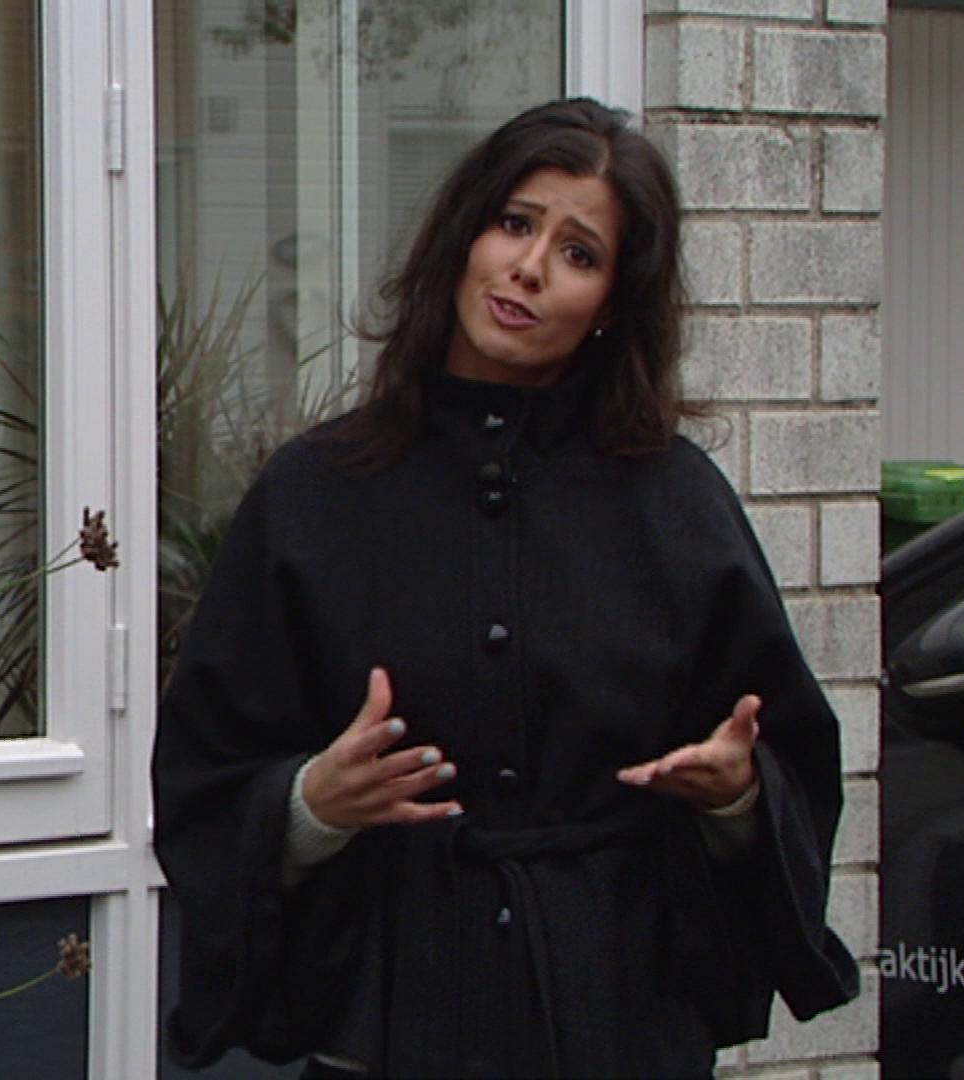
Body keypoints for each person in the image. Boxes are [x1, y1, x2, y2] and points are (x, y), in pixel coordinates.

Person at [153, 97, 859, 1078]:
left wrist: (737, 795)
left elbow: (788, 760)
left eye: (578, 253)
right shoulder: (315, 492)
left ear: (612, 302)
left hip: (617, 1018)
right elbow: (203, 773)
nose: (529, 268)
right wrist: (312, 803)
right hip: (389, 1018)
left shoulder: (674, 498)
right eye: (515, 223)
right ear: (463, 237)